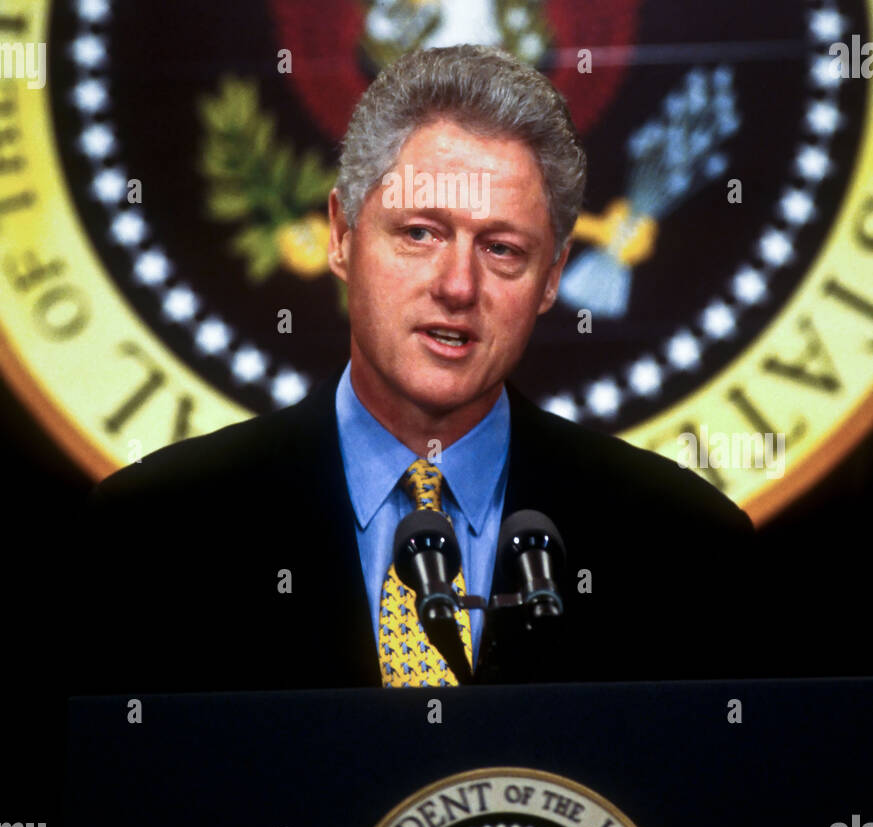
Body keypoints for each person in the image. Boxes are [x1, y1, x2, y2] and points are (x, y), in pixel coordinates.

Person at [77, 44, 759, 693]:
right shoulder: (152, 538)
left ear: (551, 278)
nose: (457, 286)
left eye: (500, 249)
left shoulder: (682, 548)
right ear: (342, 237)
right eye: (419, 233)